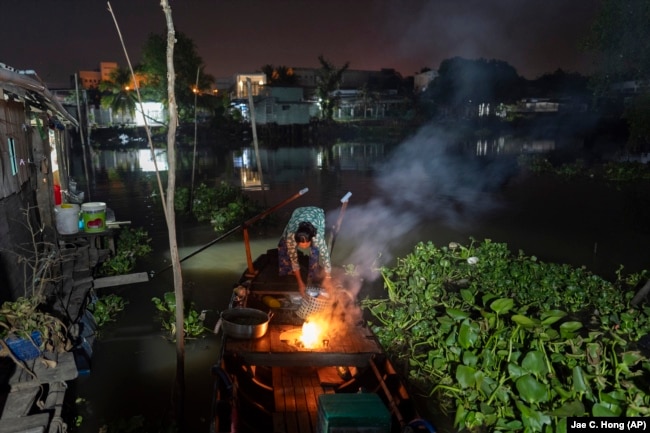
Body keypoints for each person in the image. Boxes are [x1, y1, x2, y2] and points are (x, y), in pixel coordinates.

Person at [278, 206, 332, 296]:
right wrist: (300, 284)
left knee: (315, 250)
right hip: (298, 213)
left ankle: (313, 275)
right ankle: (288, 272)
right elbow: (294, 261)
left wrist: (328, 279)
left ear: (311, 239)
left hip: (317, 213)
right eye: (301, 244)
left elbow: (326, 259)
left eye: (306, 244)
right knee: (283, 245)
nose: (303, 247)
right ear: (296, 240)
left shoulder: (317, 237)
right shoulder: (291, 237)